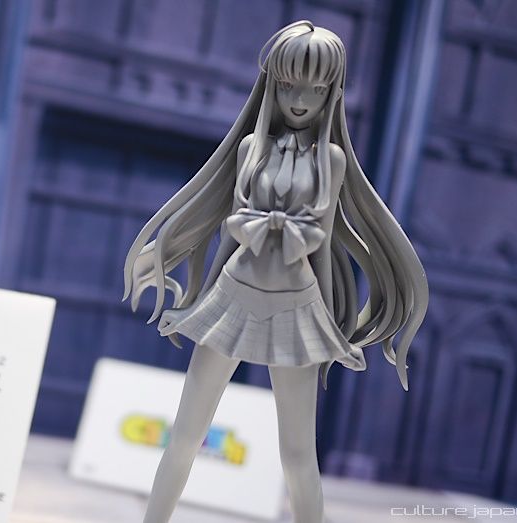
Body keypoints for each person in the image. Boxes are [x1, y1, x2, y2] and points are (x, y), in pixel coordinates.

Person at [122, 20, 429, 523]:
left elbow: (321, 243)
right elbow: (230, 234)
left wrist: (331, 324)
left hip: (296, 303)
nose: (300, 100)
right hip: (234, 293)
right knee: (185, 436)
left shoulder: (332, 160)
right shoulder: (251, 149)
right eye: (288, 84)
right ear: (270, 84)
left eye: (316, 88)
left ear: (333, 92)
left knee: (297, 454)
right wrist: (200, 299)